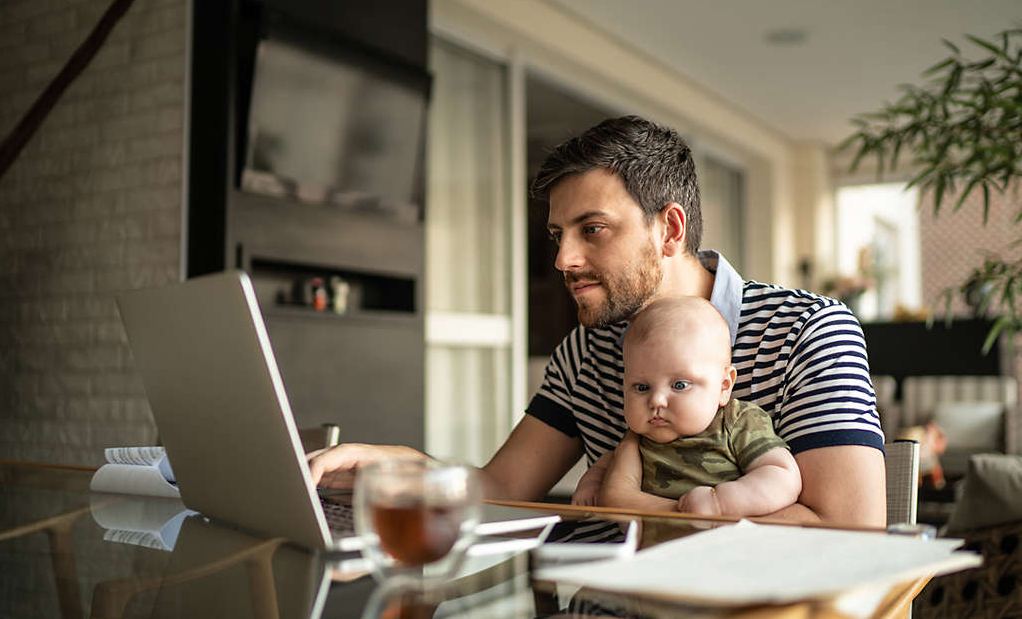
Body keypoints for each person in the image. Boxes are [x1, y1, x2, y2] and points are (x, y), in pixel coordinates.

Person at [309, 115, 887, 526]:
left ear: (670, 230)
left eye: (593, 229)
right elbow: (504, 489)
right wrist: (404, 467)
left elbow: (853, 530)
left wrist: (652, 511)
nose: (563, 259)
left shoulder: (807, 329)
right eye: (559, 235)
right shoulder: (583, 355)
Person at [593, 295, 801, 516]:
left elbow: (782, 474)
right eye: (642, 387)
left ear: (724, 386)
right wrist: (593, 481)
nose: (656, 400)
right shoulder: (638, 437)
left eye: (680, 385)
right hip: (652, 549)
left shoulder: (737, 422)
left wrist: (721, 503)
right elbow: (610, 472)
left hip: (722, 544)